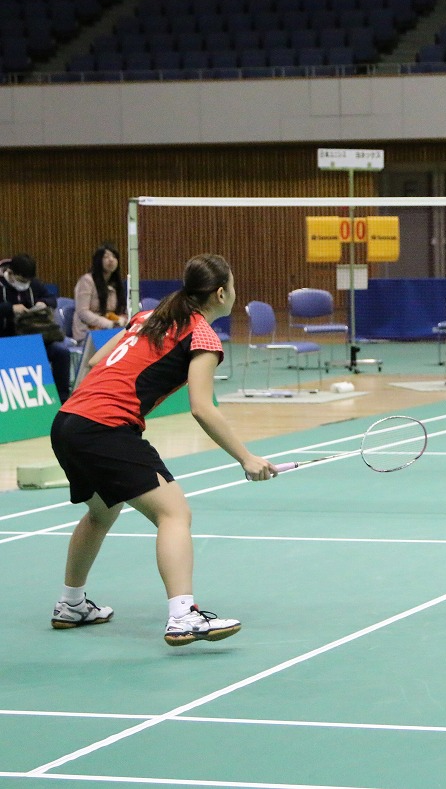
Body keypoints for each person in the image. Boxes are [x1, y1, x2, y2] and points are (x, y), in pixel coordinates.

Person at [48, 254, 275, 645]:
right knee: (174, 513)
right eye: (234, 286)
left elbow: (98, 360)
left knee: (102, 512)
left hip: (68, 421)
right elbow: (202, 408)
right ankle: (183, 616)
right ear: (221, 293)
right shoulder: (201, 335)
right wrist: (247, 458)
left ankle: (71, 604)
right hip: (105, 428)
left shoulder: (147, 317)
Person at [0, 253, 72, 403]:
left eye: (28, 281)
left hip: (34, 339)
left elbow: (52, 298)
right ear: (10, 273)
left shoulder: (34, 285)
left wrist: (44, 302)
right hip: (6, 340)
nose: (25, 284)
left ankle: (62, 399)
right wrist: (10, 308)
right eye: (21, 280)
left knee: (62, 352)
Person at [73, 243, 128, 343]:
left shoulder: (116, 284)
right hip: (88, 332)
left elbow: (120, 311)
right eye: (106, 257)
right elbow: (82, 312)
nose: (111, 260)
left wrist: (121, 320)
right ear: (98, 260)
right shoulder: (87, 281)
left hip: (111, 331)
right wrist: (108, 324)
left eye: (114, 257)